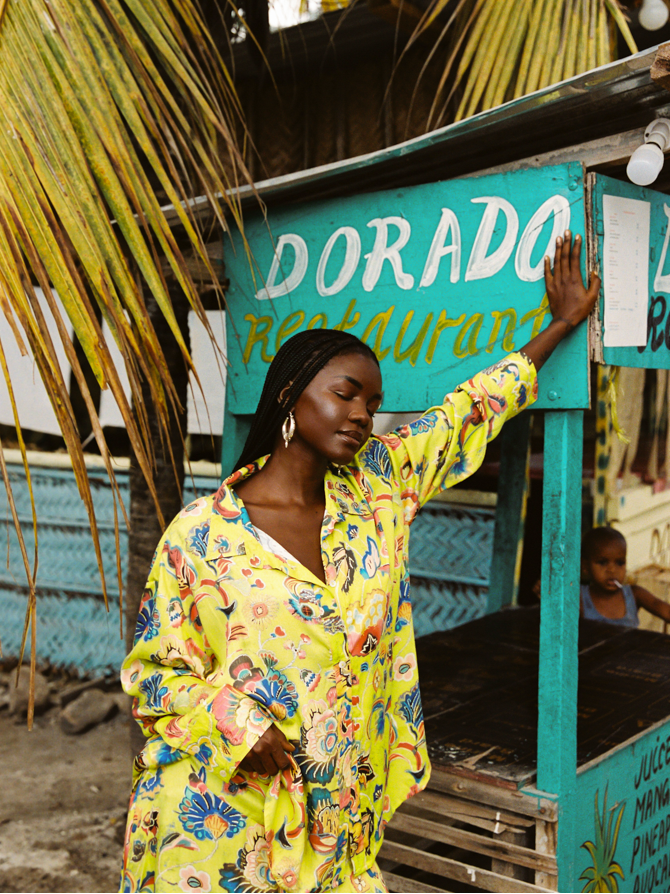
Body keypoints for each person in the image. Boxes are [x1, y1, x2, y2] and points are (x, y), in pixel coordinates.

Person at [119, 230, 598, 894]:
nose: (362, 415)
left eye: (372, 404)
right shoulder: (202, 536)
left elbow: (468, 412)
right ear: (290, 392)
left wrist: (562, 325)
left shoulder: (378, 489)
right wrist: (240, 721)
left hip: (338, 820)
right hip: (220, 820)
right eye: (346, 393)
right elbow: (152, 675)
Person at [580, 525, 670, 627]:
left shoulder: (634, 594)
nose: (612, 570)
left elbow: (665, 610)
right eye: (603, 562)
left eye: (620, 563)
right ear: (585, 567)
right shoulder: (580, 598)